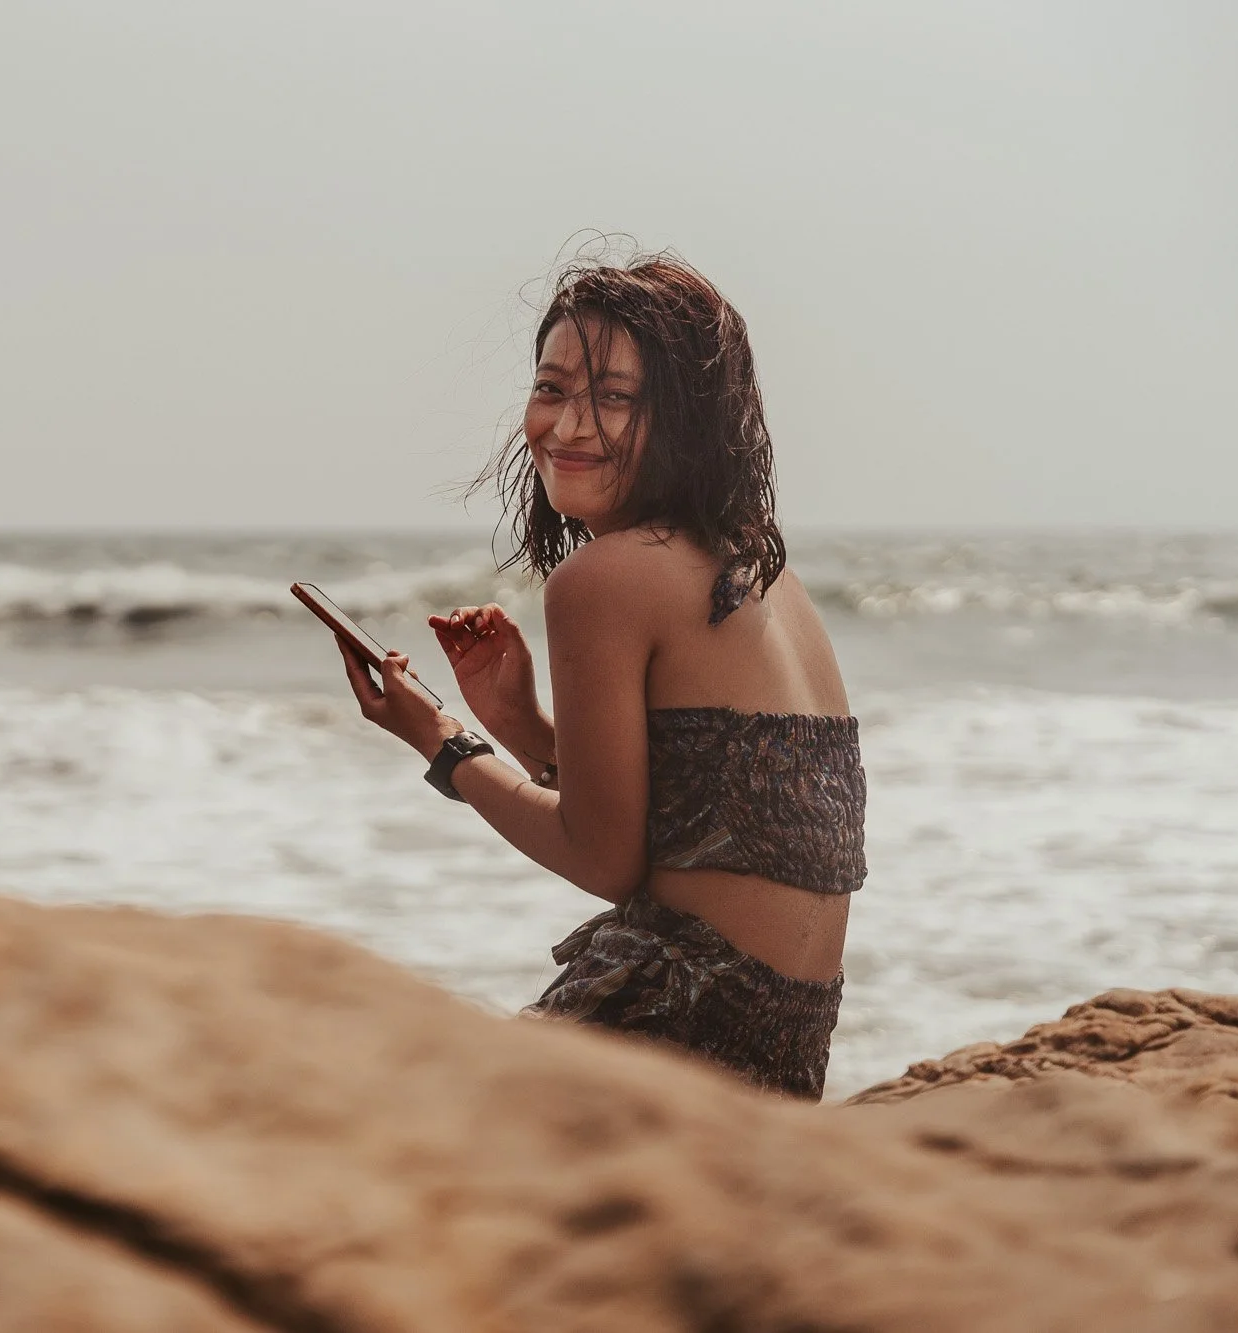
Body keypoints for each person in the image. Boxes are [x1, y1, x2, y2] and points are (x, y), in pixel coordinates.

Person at [334, 253, 865, 1102]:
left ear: (686, 419)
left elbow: (606, 859)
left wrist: (440, 738)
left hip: (676, 1030)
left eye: (614, 397)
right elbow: (710, 825)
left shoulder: (605, 579)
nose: (570, 427)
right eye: (551, 389)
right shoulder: (767, 580)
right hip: (786, 1051)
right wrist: (524, 724)